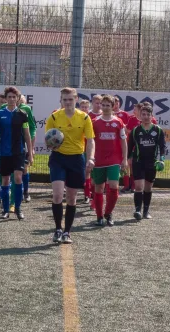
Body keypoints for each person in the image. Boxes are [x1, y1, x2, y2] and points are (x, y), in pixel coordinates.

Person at [45, 87, 95, 244]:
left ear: (76, 99)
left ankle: (67, 232)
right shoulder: (53, 117)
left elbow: (90, 140)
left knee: (72, 198)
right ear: (61, 100)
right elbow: (48, 140)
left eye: (70, 99)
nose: (67, 102)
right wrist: (52, 144)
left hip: (76, 159)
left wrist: (91, 158)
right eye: (64, 99)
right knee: (58, 195)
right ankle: (58, 229)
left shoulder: (85, 118)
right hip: (58, 158)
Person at [0, 86, 33, 220]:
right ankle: (6, 210)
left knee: (18, 178)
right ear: (5, 98)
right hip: (4, 152)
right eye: (9, 97)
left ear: (18, 99)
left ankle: (18, 209)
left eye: (14, 97)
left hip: (18, 151)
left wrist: (30, 152)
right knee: (6, 179)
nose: (12, 99)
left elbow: (27, 135)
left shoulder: (22, 114)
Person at [91, 94, 128, 226]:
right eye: (103, 105)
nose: (105, 107)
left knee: (114, 186)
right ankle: (99, 216)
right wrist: (90, 158)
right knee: (99, 188)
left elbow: (123, 142)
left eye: (108, 105)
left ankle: (109, 213)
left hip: (114, 160)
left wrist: (124, 159)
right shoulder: (95, 122)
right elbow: (90, 141)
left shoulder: (118, 122)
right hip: (98, 160)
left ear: (113, 107)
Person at [128, 104, 167, 221]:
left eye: (148, 114)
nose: (145, 117)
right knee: (139, 187)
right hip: (138, 162)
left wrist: (162, 160)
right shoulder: (135, 131)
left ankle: (146, 210)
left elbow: (162, 146)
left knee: (148, 188)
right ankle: (137, 210)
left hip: (152, 163)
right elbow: (130, 147)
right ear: (140, 116)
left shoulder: (158, 130)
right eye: (143, 114)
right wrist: (128, 159)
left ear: (152, 116)